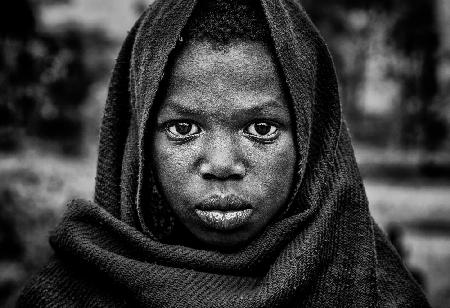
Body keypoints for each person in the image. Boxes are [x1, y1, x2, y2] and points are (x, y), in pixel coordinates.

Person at [17, 0, 430, 306]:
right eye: (183, 129)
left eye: (261, 129)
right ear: (139, 141)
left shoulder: (375, 293)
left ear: (311, 140)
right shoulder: (70, 295)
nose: (221, 165)